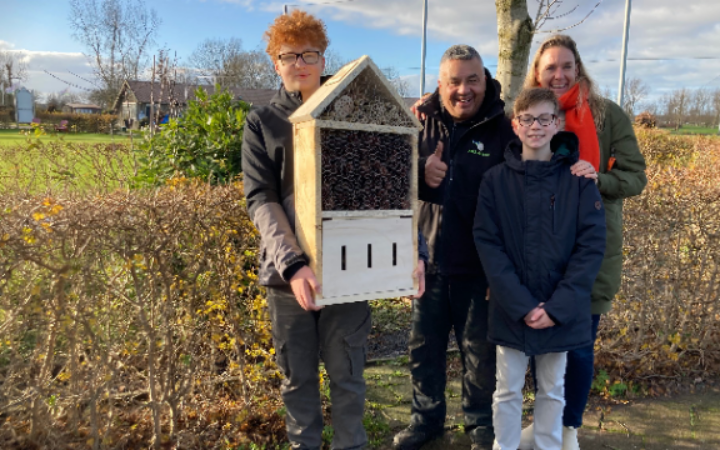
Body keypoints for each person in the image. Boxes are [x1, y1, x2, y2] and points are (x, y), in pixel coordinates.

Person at [241, 11, 427, 449]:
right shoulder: (263, 122)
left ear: (323, 59)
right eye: (289, 55)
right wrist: (294, 264)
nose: (300, 62)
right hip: (289, 281)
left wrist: (410, 252)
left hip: (348, 272)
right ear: (275, 62)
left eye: (310, 53)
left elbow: (388, 191)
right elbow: (260, 199)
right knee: (297, 380)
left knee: (348, 378)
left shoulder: (353, 117)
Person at [518, 34, 648, 450]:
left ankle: (568, 427)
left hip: (591, 246)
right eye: (549, 67)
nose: (558, 75)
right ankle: (542, 426)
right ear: (537, 72)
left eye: (566, 66)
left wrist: (599, 178)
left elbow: (635, 177)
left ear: (578, 69)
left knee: (578, 344)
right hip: (536, 248)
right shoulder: (522, 114)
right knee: (538, 343)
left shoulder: (607, 116)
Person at [392, 45, 516, 450]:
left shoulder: (505, 128)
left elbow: (519, 199)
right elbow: (389, 180)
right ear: (441, 84)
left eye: (472, 79)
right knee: (423, 350)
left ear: (486, 79)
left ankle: (480, 424)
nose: (464, 89)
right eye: (454, 81)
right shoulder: (418, 123)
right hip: (426, 263)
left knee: (479, 355)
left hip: (479, 267)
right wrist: (419, 172)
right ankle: (425, 420)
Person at [473, 87, 606, 450]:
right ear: (515, 125)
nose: (536, 126)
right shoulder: (495, 181)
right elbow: (488, 244)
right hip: (511, 308)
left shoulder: (579, 182)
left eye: (545, 118)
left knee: (553, 389)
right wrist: (522, 305)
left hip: (559, 310)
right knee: (507, 389)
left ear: (557, 123)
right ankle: (505, 446)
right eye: (528, 119)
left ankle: (549, 445)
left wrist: (556, 307)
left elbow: (590, 248)